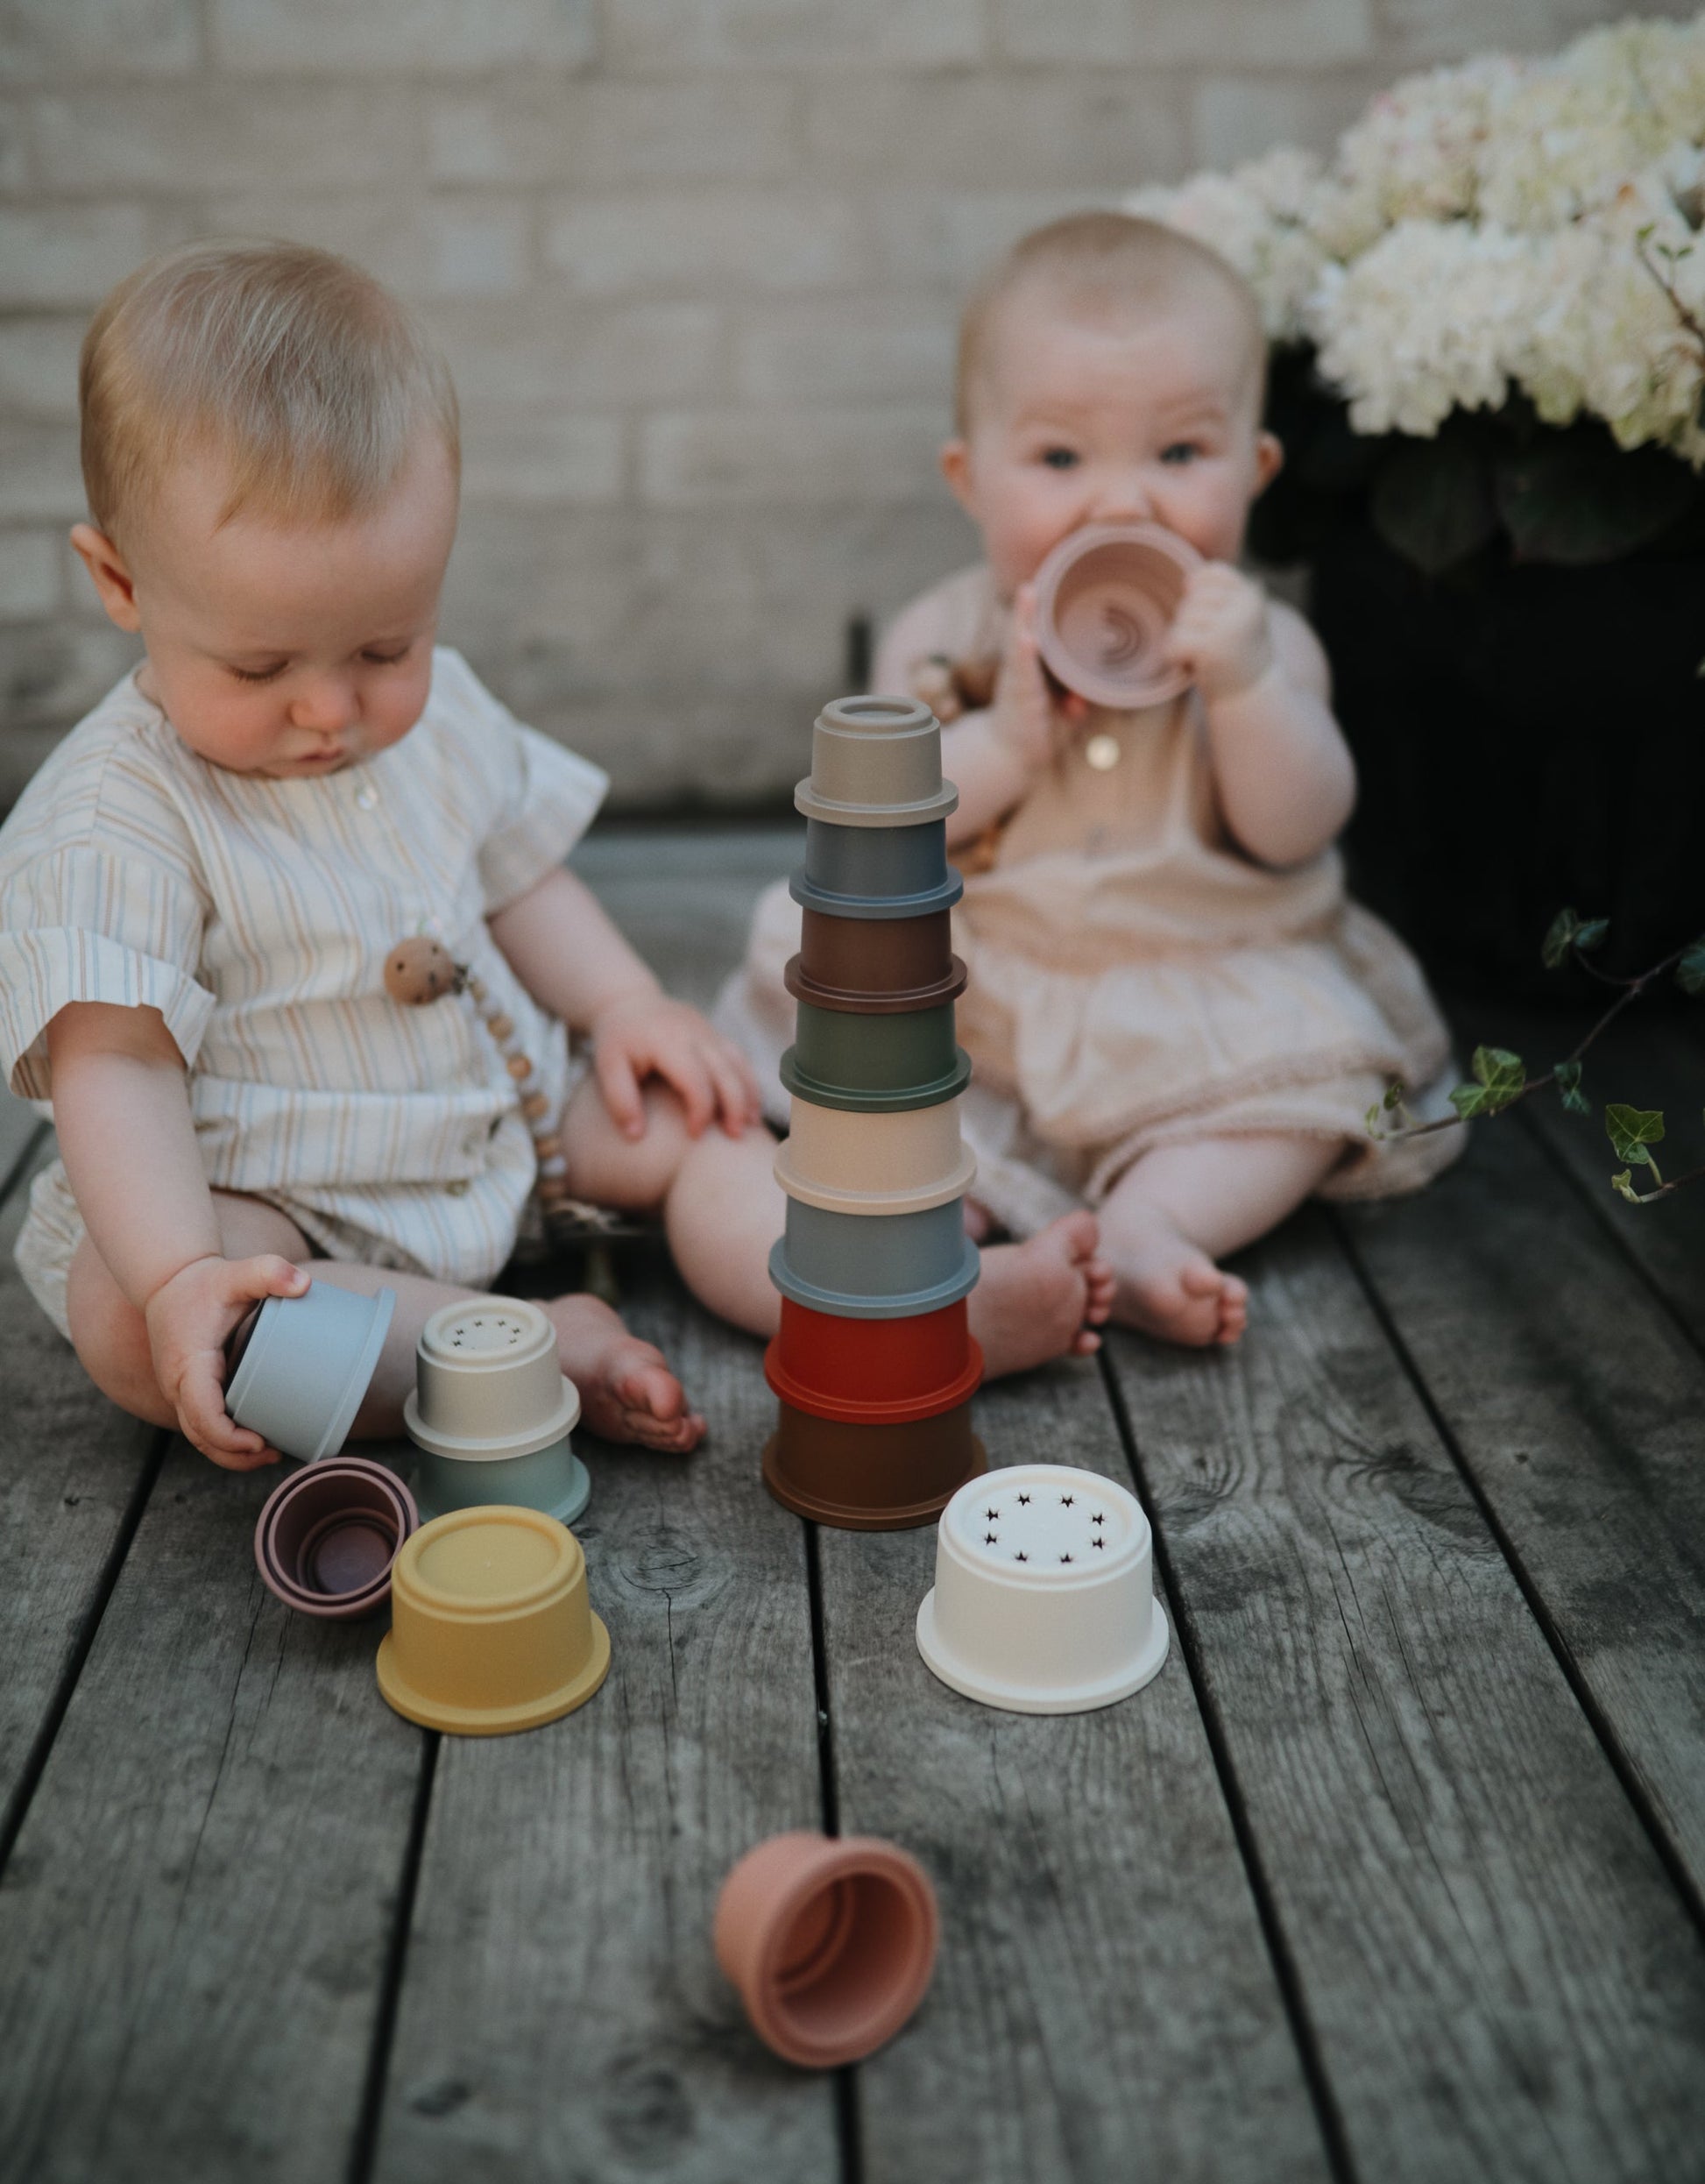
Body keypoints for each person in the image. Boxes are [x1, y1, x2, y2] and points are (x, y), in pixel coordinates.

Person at [0, 240, 1108, 1480]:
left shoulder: (443, 715)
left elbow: (519, 874)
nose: (333, 710)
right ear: (118, 580)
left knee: (697, 1121)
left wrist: (625, 1004)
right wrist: (179, 1271)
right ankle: (529, 1347)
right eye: (261, 668)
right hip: (276, 1210)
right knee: (142, 1322)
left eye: (384, 646)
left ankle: (878, 1314)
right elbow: (117, 1070)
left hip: (505, 1119)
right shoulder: (114, 817)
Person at [717, 211, 1464, 1350]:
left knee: (1312, 1084)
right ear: (970, 478)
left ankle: (1152, 1219)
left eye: (1177, 454)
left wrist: (1247, 687)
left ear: (1253, 472)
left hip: (1203, 983)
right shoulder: (942, 636)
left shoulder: (1257, 640)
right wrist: (1005, 748)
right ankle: (958, 1203)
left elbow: (1295, 826)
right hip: (991, 985)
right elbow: (874, 834)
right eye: (1061, 458)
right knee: (865, 1057)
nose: (1122, 503)